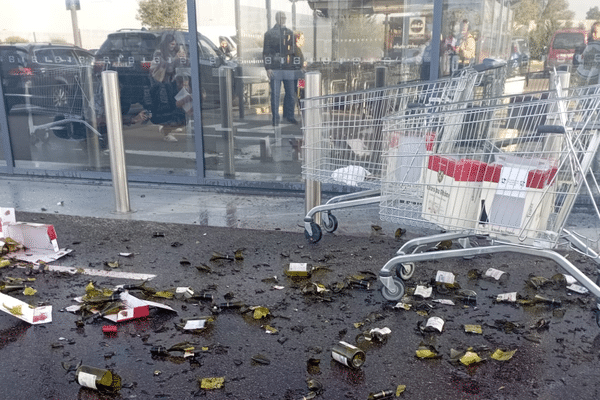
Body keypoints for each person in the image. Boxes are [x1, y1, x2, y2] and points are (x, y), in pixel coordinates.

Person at [263, 11, 301, 126]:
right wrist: (268, 68)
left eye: (284, 17)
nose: (283, 19)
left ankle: (288, 116)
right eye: (281, 17)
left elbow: (294, 52)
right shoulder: (270, 33)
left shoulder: (289, 33)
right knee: (276, 94)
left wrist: (296, 66)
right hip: (276, 67)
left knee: (290, 93)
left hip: (287, 68)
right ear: (276, 18)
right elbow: (266, 52)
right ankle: (276, 118)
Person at [149, 33, 188, 141]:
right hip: (162, 83)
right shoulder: (159, 53)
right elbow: (168, 68)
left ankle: (172, 125)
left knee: (176, 104)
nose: (173, 45)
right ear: (166, 43)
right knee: (168, 106)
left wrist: (182, 58)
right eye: (171, 43)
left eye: (174, 43)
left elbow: (180, 66)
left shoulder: (174, 52)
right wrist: (175, 59)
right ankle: (166, 130)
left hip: (173, 82)